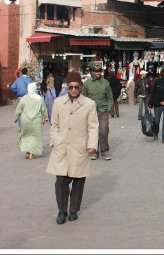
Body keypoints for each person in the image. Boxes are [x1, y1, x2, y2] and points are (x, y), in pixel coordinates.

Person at [46, 70, 99, 224]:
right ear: (66, 87)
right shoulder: (58, 103)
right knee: (61, 181)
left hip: (80, 147)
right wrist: (55, 140)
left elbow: (93, 126)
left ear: (81, 87)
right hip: (61, 147)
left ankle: (73, 210)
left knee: (78, 180)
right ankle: (62, 211)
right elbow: (54, 125)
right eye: (71, 87)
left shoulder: (89, 104)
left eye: (77, 87)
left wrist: (92, 145)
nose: (74, 90)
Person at [82, 64, 114, 161]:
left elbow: (110, 97)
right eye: (96, 71)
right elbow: (83, 98)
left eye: (99, 71)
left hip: (103, 110)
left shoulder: (105, 83)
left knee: (103, 130)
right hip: (91, 111)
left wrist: (109, 108)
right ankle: (94, 151)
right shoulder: (87, 83)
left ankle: (104, 151)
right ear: (92, 72)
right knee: (93, 131)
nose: (98, 73)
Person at [14, 82, 48, 159]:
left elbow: (19, 109)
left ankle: (27, 152)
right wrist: (45, 118)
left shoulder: (24, 98)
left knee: (26, 136)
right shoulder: (39, 98)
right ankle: (32, 153)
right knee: (35, 137)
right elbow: (43, 109)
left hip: (25, 120)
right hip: (36, 121)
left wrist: (15, 117)